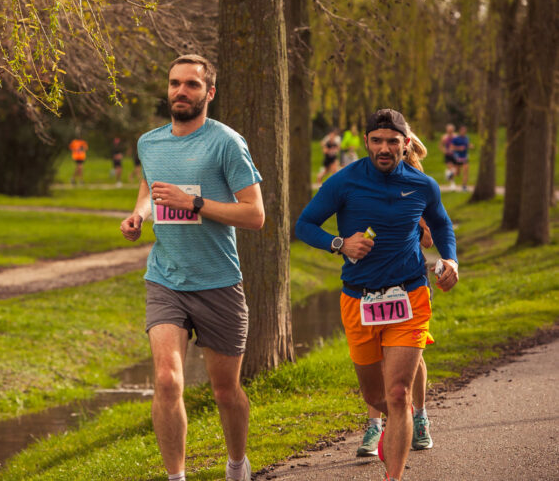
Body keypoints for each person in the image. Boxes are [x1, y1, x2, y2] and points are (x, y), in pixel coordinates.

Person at [119, 54, 264, 481]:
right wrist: (139, 215)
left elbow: (255, 215)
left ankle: (237, 465)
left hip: (219, 282)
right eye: (175, 83)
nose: (181, 91)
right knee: (166, 380)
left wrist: (195, 203)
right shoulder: (149, 142)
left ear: (209, 93)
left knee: (225, 391)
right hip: (166, 277)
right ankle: (176, 477)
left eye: (192, 85)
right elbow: (149, 185)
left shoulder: (226, 143)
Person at [295, 109, 459, 481]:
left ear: (405, 143)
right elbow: (303, 225)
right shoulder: (344, 182)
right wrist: (339, 243)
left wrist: (450, 259)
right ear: (367, 141)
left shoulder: (422, 185)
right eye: (377, 140)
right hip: (359, 300)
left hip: (409, 295)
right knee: (375, 396)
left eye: (392, 141)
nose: (384, 148)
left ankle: (394, 474)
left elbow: (442, 222)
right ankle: (391, 426)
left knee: (399, 392)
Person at [357, 130, 434, 458]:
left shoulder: (419, 186)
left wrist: (415, 221)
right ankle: (375, 426)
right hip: (372, 285)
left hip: (409, 285)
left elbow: (430, 239)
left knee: (412, 356)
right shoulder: (368, 184)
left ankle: (419, 417)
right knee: (376, 355)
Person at [450, 125, 473, 192]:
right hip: (458, 157)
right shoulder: (456, 139)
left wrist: (470, 146)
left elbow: (466, 145)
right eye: (462, 130)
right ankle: (450, 175)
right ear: (460, 131)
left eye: (465, 130)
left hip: (465, 157)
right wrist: (459, 148)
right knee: (458, 173)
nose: (463, 131)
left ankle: (464, 186)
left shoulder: (466, 138)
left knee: (466, 170)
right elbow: (451, 147)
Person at [439, 123, 457, 187]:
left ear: (453, 130)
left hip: (455, 154)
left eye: (451, 130)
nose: (450, 131)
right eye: (449, 130)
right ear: (447, 130)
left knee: (455, 170)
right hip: (448, 155)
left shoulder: (456, 136)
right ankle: (452, 184)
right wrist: (444, 150)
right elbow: (440, 146)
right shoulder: (444, 137)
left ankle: (447, 174)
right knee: (451, 168)